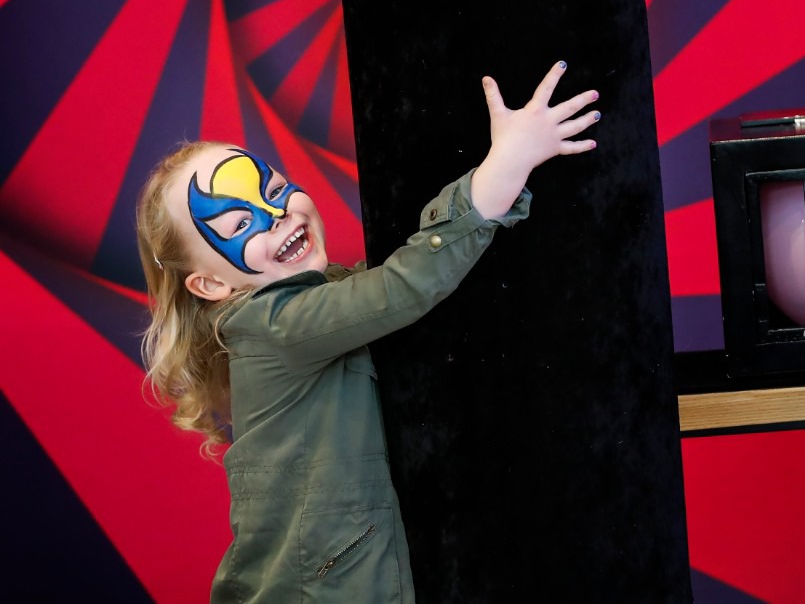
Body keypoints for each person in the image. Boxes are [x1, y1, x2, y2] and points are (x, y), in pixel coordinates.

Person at [136, 61, 599, 602]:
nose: (276, 214)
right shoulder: (273, 323)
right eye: (239, 225)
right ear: (211, 285)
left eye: (274, 187)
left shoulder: (310, 297)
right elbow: (402, 288)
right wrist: (505, 166)